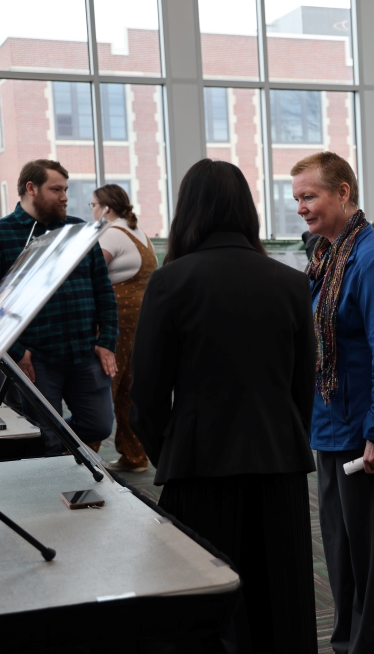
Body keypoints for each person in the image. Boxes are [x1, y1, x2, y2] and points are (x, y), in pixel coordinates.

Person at [131, 159, 317, 651]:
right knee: (283, 602)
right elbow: (302, 391)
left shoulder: (171, 282)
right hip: (279, 468)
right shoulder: (291, 284)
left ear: (187, 209)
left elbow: (145, 397)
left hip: (198, 471)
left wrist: (170, 450)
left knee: (205, 612)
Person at [294, 151, 374, 653]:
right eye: (297, 197)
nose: (301, 206)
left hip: (368, 437)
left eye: (310, 195)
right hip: (331, 428)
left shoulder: (373, 259)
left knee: (373, 562)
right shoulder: (328, 256)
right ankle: (348, 644)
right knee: (343, 559)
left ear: (343, 193)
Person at [0, 159, 117, 455]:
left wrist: (107, 342)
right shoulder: (3, 234)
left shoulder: (79, 230)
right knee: (47, 440)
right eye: (56, 189)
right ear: (31, 189)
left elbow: (103, 290)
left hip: (84, 353)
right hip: (35, 358)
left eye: (65, 189)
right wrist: (17, 352)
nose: (65, 196)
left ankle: (50, 439)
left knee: (100, 424)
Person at [91, 184, 157, 473]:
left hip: (114, 322)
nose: (91, 211)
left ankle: (88, 458)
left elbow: (89, 274)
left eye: (93, 205)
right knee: (129, 390)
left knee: (102, 388)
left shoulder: (111, 234)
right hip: (139, 321)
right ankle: (134, 456)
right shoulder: (138, 233)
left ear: (105, 207)